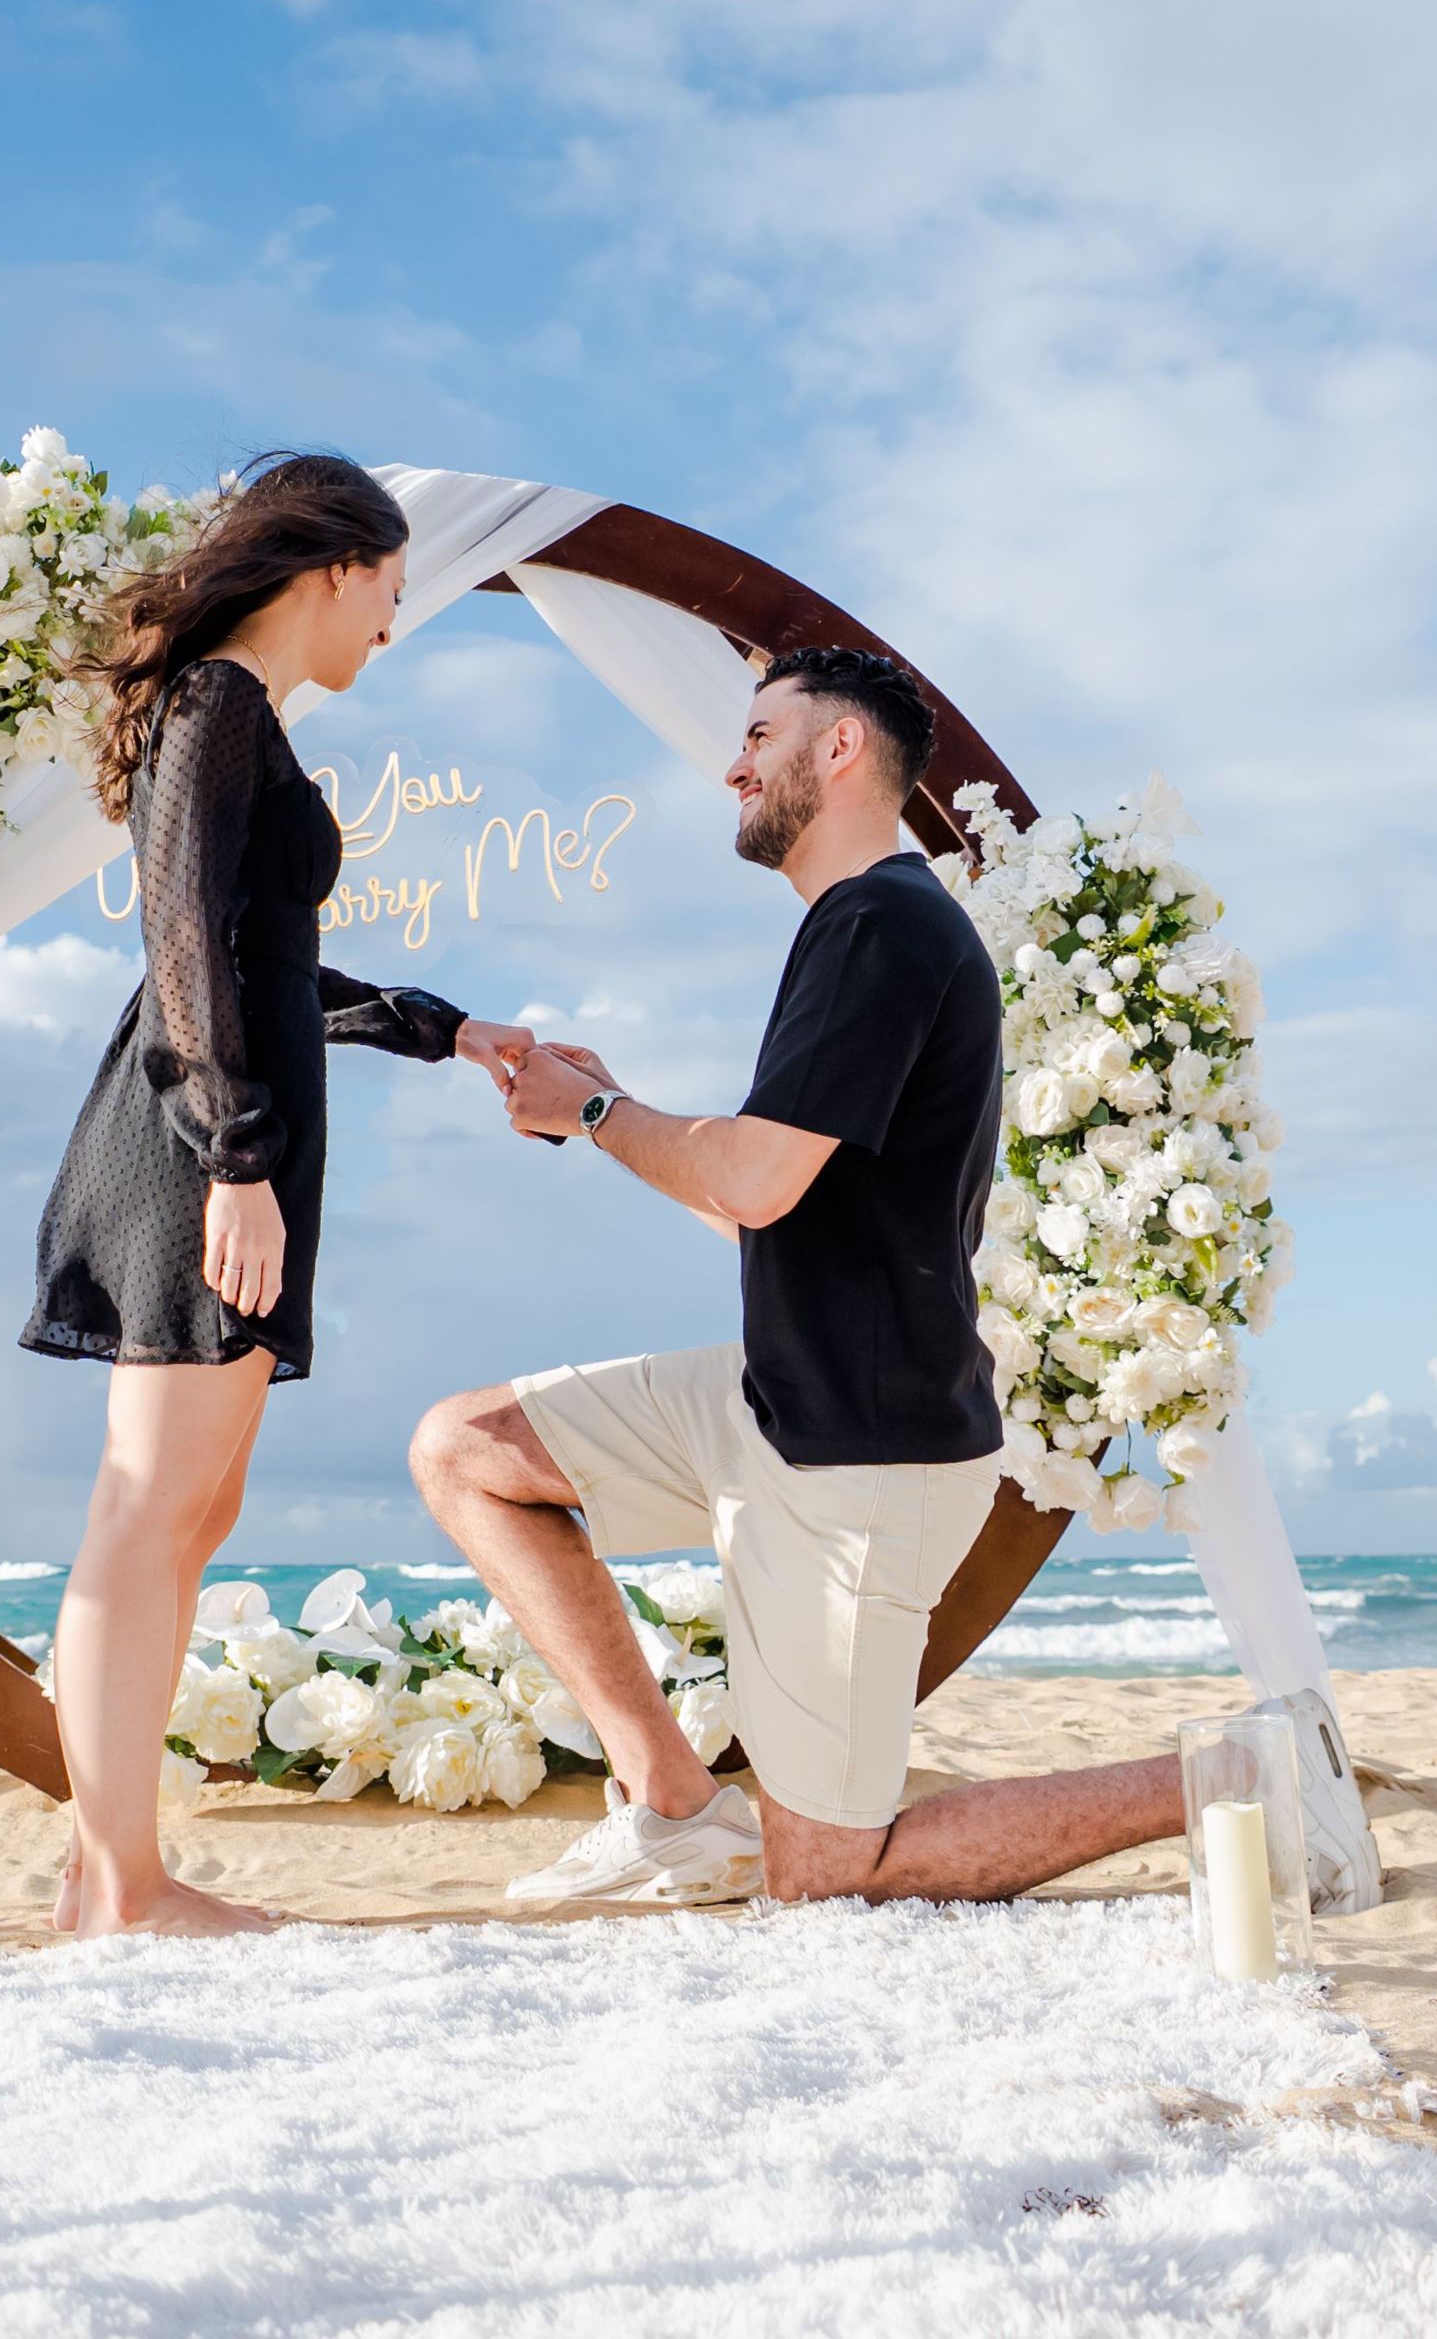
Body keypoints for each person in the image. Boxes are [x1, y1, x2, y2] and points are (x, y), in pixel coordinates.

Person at [408, 647, 1181, 1905]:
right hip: (778, 1398)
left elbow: (755, 1179)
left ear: (840, 750)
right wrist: (601, 1113)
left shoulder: (883, 922)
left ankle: (1232, 1777)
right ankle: (672, 1804)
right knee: (466, 1450)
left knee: (829, 1874)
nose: (731, 764)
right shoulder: (856, 927)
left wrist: (598, 1109)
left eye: (759, 734)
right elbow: (772, 1213)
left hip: (865, 1455)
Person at [25, 453, 529, 1938]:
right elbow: (181, 945)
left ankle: (103, 1872)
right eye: (390, 588)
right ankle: (123, 1886)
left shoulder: (236, 716)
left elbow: (269, 962)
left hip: (218, 1136)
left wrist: (444, 1029)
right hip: (192, 1149)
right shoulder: (220, 708)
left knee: (187, 1510)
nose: (393, 620)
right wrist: (236, 1166)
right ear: (328, 569)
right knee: (146, 1507)